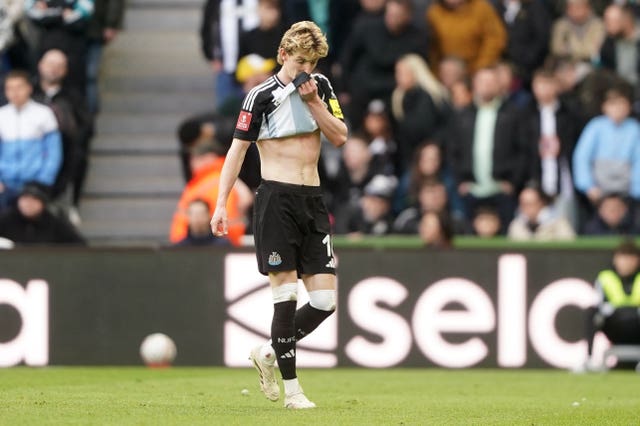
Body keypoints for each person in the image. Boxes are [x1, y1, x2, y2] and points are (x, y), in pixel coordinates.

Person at [209, 21, 347, 409]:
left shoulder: (320, 87)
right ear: (283, 55)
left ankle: (268, 352)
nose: (305, 68)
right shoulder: (260, 96)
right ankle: (294, 392)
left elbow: (339, 136)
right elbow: (236, 151)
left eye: (312, 62)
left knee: (324, 302)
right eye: (299, 60)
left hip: (312, 200)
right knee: (284, 298)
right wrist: (222, 203)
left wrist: (315, 102)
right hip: (277, 201)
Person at [170, 140, 251, 246]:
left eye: (196, 158)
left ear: (209, 157)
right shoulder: (227, 178)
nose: (192, 163)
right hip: (226, 241)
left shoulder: (205, 182)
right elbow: (246, 199)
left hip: (208, 243)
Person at [0, 70, 62, 209]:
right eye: (10, 88)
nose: (15, 93)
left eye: (19, 87)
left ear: (29, 88)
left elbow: (53, 151)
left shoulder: (43, 113)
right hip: (6, 183)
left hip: (34, 182)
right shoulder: (1, 115)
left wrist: (44, 179)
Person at [572, 82, 640, 207]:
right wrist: (588, 186)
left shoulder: (635, 129)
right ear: (604, 107)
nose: (618, 108)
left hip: (627, 193)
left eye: (622, 104)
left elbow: (638, 161)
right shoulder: (595, 126)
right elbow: (582, 156)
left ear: (629, 106)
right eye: (613, 104)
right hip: (598, 190)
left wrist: (636, 191)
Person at [581, 240, 640, 371]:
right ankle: (589, 359)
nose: (626, 263)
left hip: (637, 324)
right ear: (615, 259)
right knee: (591, 312)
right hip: (615, 324)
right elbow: (598, 303)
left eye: (630, 259)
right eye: (622, 258)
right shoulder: (605, 277)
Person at [426, 0, 507, 74]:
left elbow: (495, 39)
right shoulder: (434, 13)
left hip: (479, 66)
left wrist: (481, 65)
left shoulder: (481, 8)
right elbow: (433, 48)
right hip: (447, 68)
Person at [0, 181, 85, 244]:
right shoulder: (5, 219)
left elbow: (78, 244)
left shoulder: (54, 224)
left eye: (34, 200)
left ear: (43, 203)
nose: (28, 204)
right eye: (25, 199)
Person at [507, 183, 576, 241]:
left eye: (529, 204)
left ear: (541, 203)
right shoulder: (516, 225)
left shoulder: (559, 224)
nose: (526, 208)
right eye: (523, 204)